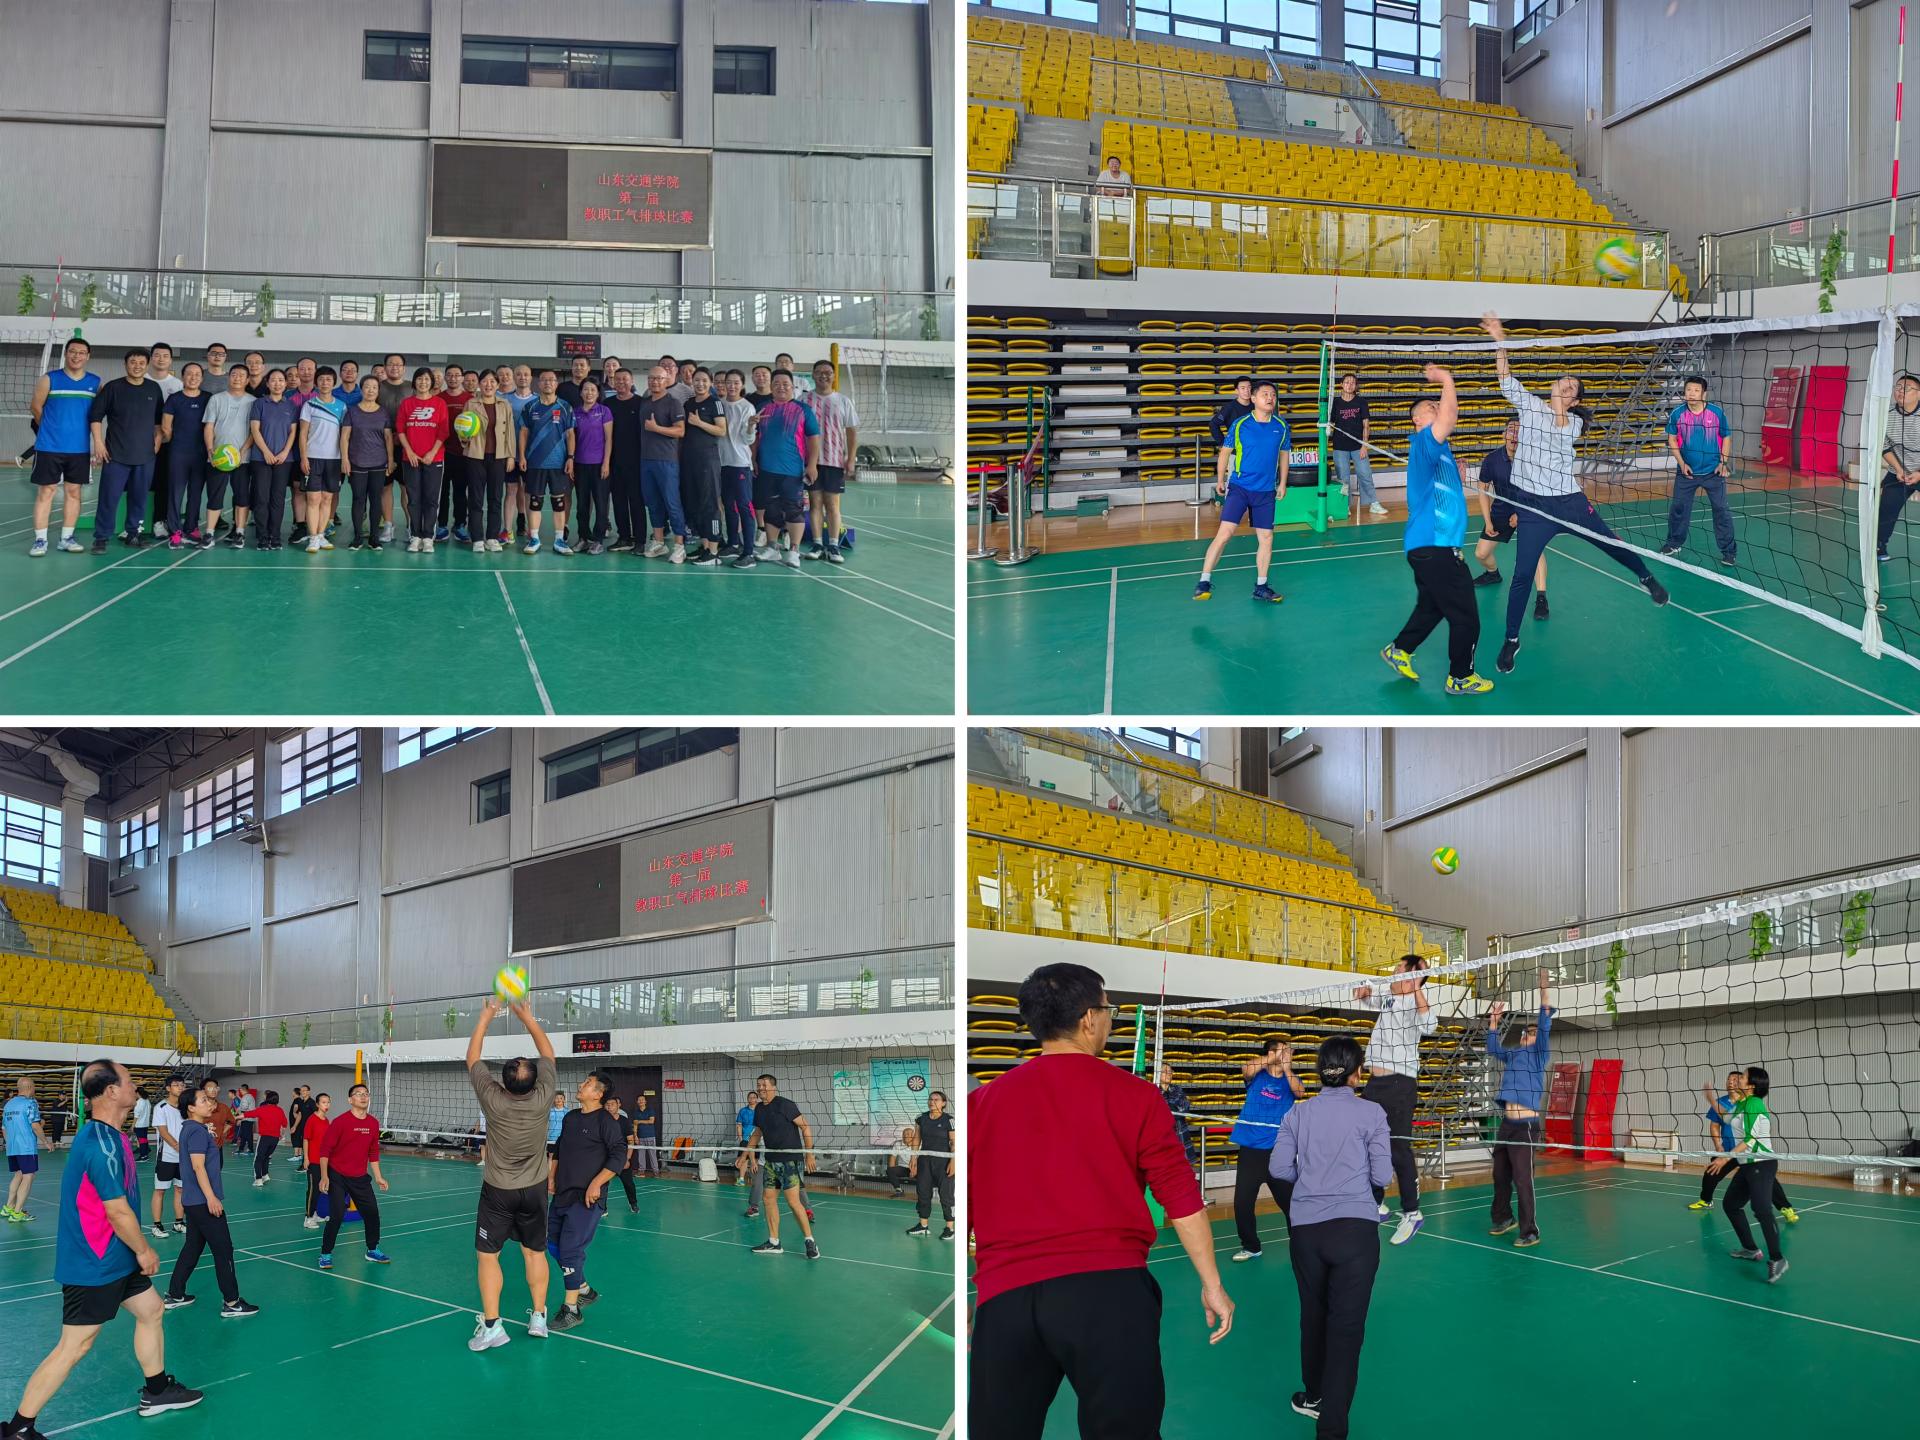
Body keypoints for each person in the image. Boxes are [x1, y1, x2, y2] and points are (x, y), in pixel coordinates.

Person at [970, 964, 1233, 1439]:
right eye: (1109, 1008)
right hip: (1109, 1295)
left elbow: (966, 1205)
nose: (1110, 1018)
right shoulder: (1138, 1097)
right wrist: (1212, 1284)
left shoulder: (982, 1103)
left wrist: (982, 1299)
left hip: (1007, 1299)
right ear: (1089, 1018)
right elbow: (1180, 1198)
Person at [3, 1060, 202, 1439]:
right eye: (128, 1081)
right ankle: (18, 1428)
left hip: (116, 1256)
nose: (134, 1086)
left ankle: (157, 1390)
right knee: (75, 1346)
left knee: (151, 1310)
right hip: (94, 1262)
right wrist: (144, 1250)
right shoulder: (100, 1143)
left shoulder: (113, 1137)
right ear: (111, 1091)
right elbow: (116, 1210)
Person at [1482, 311, 1668, 675]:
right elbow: (1504, 377)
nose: (1565, 388)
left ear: (1574, 400)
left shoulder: (1574, 422)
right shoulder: (1529, 407)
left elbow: (1559, 421)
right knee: (1521, 574)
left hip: (1570, 502)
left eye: (1571, 389)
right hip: (1533, 507)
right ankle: (1512, 639)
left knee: (1611, 543)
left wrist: (1558, 399)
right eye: (1562, 383)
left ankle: (1646, 577)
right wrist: (1499, 340)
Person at [1268, 1036, 1393, 1440]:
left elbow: (1279, 1169)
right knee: (1346, 1329)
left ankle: (1314, 1394)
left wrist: (1312, 1178)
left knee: (1313, 1315)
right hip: (1356, 1232)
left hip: (1306, 1232)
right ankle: (1332, 1428)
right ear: (1356, 1073)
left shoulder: (1297, 1113)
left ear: (1321, 1071)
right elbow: (1381, 1176)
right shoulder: (1372, 1112)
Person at [1380, 363, 1493, 695]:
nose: (1439, 407)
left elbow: (1438, 492)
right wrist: (1446, 378)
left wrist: (1456, 474)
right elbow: (1450, 415)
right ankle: (1461, 676)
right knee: (1466, 617)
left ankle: (1400, 650)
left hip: (1426, 547)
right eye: (1432, 407)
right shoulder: (1425, 441)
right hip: (1436, 546)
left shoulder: (1437, 450)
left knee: (1432, 607)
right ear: (1418, 420)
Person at [465, 997, 556, 1351]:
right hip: (534, 1190)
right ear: (536, 1081)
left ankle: (492, 1327)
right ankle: (539, 1318)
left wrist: (487, 1015)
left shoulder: (493, 1098)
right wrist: (526, 1016)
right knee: (535, 1253)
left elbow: (473, 1058)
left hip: (498, 1191)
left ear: (502, 1083)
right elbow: (548, 1052)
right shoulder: (544, 1096)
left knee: (488, 1256)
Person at [1353, 955, 1435, 1245]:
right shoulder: (1388, 997)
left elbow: (1429, 1026)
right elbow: (1369, 999)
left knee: (1398, 1148)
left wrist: (1417, 984)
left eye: (1399, 967)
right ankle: (1376, 1204)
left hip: (1400, 1083)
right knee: (1367, 1144)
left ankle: (1412, 1213)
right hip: (1374, 1085)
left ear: (1411, 974)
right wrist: (1364, 993)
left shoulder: (1416, 1002)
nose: (1394, 970)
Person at [162, 1084, 257, 1318]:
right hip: (202, 1202)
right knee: (223, 1250)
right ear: (191, 1108)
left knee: (193, 1248)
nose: (209, 1102)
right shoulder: (196, 1131)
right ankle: (232, 1302)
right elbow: (198, 1166)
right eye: (203, 1100)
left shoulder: (191, 1128)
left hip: (193, 1201)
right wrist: (211, 1197)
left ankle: (175, 1294)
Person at [1192, 378, 1287, 604]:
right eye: (1265, 394)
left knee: (1266, 538)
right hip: (1240, 487)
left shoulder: (1281, 426)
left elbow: (1284, 455)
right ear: (1253, 398)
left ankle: (1261, 586)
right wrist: (1220, 479)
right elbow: (1225, 453)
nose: (1270, 398)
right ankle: (1204, 581)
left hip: (1265, 491)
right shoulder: (1240, 423)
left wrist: (1282, 483)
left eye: (1273, 395)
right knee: (1225, 534)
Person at [545, 1068, 625, 1332]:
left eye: (588, 1083)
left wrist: (596, 1183)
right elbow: (559, 1149)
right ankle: (584, 1290)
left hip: (587, 1199)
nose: (581, 1085)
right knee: (553, 1245)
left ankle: (572, 1310)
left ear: (598, 1094)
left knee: (570, 1250)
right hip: (563, 1194)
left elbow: (619, 1156)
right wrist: (551, 1176)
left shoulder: (606, 1121)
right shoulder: (570, 1117)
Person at [1485, 970, 1554, 1247]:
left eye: (1533, 1032)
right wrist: (1494, 1021)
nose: (1528, 1033)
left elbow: (1544, 1024)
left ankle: (1530, 1231)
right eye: (1526, 1031)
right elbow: (1493, 1048)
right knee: (1499, 1175)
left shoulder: (1539, 1055)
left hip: (1525, 1126)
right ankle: (1504, 1218)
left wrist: (1544, 990)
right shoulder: (1513, 1054)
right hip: (1506, 1125)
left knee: (1523, 1179)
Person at [1229, 1039, 1304, 1262]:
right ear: (1271, 1053)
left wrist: (1287, 1067)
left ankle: (1301, 1243)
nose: (1288, 1053)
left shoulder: (1290, 1080)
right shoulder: (1257, 1076)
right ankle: (1251, 1247)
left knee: (1291, 1203)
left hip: (1278, 1152)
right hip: (1251, 1152)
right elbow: (1246, 1069)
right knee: (1242, 1204)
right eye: (1284, 1050)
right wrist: (1274, 1057)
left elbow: (1300, 1092)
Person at [1712, 1064, 1788, 1283]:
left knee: (1761, 1209)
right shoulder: (1741, 1103)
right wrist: (1710, 1099)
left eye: (1743, 1077)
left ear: (1752, 1085)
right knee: (1731, 1204)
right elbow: (1725, 1119)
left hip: (1761, 1163)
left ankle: (1778, 1259)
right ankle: (1750, 1249)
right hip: (1746, 1164)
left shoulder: (1754, 1103)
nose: (1738, 1080)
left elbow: (1751, 1140)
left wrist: (1725, 1157)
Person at [86, 348, 166, 554]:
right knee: (109, 498)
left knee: (139, 498)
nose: (137, 366)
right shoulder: (113, 388)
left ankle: (133, 534)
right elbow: (96, 416)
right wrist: (98, 443)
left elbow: (159, 421)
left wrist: (157, 441)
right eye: (133, 362)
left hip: (145, 456)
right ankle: (101, 537)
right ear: (125, 364)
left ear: (147, 365)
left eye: (141, 363)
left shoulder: (153, 388)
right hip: (116, 455)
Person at [26, 337, 100, 556]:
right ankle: (40, 540)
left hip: (79, 449)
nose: (77, 356)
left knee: (74, 492)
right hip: (49, 447)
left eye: (81, 352)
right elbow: (36, 407)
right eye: (72, 351)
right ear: (66, 353)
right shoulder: (49, 379)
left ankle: (66, 538)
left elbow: (98, 414)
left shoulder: (96, 383)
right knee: (46, 491)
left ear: (88, 356)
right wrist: (52, 430)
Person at [1693, 1072, 1798, 1220]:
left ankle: (1786, 1208)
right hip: (1729, 1149)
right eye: (1729, 1079)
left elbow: (1756, 1129)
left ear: (1745, 1084)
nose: (1731, 1082)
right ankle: (1706, 1200)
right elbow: (1717, 1123)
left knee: (1768, 1181)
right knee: (1711, 1173)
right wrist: (1718, 1144)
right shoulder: (1722, 1102)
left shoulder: (1749, 1102)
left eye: (1736, 1079)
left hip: (1747, 1151)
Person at [1470, 418, 1548, 617]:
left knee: (1535, 551)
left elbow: (1541, 494)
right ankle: (1493, 574)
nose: (1515, 435)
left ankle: (1541, 597)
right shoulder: (1492, 460)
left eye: (1520, 431)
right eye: (1511, 430)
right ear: (1504, 434)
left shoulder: (1534, 459)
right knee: (1481, 554)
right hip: (1502, 510)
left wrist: (1521, 514)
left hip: (1528, 509)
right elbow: (1483, 489)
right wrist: (1488, 521)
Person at [1661, 374, 1736, 565]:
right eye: (1688, 390)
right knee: (1678, 508)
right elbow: (1672, 439)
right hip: (1686, 472)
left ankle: (1729, 552)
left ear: (1704, 394)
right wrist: (1681, 463)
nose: (1691, 394)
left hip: (1713, 472)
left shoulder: (1716, 413)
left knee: (1721, 510)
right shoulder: (1677, 413)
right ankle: (1674, 543)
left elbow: (1726, 437)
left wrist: (1723, 463)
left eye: (1696, 390)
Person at [742, 1073, 819, 1258]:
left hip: (790, 1160)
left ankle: (810, 1241)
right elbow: (757, 1132)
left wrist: (809, 1154)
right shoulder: (759, 1109)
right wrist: (744, 1155)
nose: (760, 1088)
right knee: (768, 1199)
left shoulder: (785, 1105)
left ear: (773, 1087)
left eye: (764, 1085)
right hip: (771, 1161)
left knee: (793, 1202)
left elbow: (805, 1127)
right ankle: (774, 1242)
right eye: (758, 1085)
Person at [753, 368, 821, 568]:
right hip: (766, 469)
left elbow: (813, 439)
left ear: (793, 387)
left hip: (792, 471)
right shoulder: (763, 408)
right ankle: (772, 548)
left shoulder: (803, 410)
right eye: (776, 384)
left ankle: (794, 551)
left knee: (793, 510)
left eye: (785, 384)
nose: (781, 387)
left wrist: (812, 465)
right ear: (771, 387)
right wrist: (754, 459)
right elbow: (755, 437)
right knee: (771, 510)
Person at [316, 1083, 389, 1268]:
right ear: (350, 1100)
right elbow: (325, 1150)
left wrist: (378, 1177)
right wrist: (324, 1176)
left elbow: (373, 1152)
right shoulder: (340, 1122)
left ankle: (372, 1250)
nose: (363, 1096)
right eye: (358, 1094)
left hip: (359, 1177)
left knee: (372, 1213)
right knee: (337, 1215)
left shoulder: (373, 1123)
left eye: (366, 1093)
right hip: (337, 1175)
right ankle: (325, 1253)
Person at [802, 358, 859, 564]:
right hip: (811, 461)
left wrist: (850, 458)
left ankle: (833, 545)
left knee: (833, 505)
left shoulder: (843, 401)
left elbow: (852, 432)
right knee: (815, 503)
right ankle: (817, 544)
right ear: (813, 375)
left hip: (834, 460)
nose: (823, 375)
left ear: (834, 376)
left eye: (827, 372)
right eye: (819, 372)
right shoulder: (804, 400)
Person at [517, 370, 575, 556]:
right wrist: (522, 456)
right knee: (535, 502)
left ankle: (559, 540)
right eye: (544, 380)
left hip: (558, 463)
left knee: (559, 502)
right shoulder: (530, 407)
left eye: (551, 380)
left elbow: (570, 434)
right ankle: (534, 538)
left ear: (556, 384)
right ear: (538, 384)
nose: (548, 383)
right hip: (535, 463)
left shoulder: (565, 406)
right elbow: (523, 432)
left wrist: (570, 457)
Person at [395, 366, 450, 554]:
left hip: (434, 459)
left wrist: (432, 453)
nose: (423, 382)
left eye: (427, 379)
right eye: (419, 378)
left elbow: (443, 431)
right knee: (413, 499)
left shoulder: (440, 403)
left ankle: (428, 537)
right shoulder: (406, 404)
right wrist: (409, 452)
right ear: (414, 382)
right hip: (410, 459)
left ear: (432, 382)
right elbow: (400, 429)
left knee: (431, 499)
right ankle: (415, 536)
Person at [201, 365, 256, 549]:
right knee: (215, 496)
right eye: (234, 374)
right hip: (218, 458)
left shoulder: (253, 402)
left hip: (242, 459)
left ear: (247, 380)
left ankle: (239, 532)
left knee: (242, 496)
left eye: (241, 375)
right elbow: (209, 426)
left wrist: (242, 451)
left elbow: (254, 431)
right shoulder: (216, 399)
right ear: (228, 377)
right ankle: (209, 533)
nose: (237, 378)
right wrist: (210, 449)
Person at [158, 363, 211, 549]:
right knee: (175, 493)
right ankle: (175, 532)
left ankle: (191, 528)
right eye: (189, 374)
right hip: (178, 453)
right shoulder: (174, 399)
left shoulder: (208, 398)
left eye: (197, 374)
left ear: (202, 378)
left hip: (201, 454)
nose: (193, 377)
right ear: (183, 377)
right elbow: (166, 427)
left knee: (196, 493)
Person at [243, 369, 298, 549]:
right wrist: (266, 452)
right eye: (273, 380)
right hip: (261, 459)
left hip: (284, 460)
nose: (277, 383)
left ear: (285, 384)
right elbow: (255, 429)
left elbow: (293, 432)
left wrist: (284, 452)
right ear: (267, 383)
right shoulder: (259, 403)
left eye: (281, 380)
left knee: (278, 499)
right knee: (261, 498)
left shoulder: (291, 405)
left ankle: (275, 536)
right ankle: (262, 537)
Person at [638, 364, 688, 561]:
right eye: (651, 378)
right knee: (653, 503)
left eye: (659, 378)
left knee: (672, 503)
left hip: (666, 461)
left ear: (666, 380)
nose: (655, 382)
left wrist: (657, 428)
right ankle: (659, 543)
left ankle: (679, 546)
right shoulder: (645, 403)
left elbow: (680, 431)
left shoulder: (673, 403)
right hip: (646, 460)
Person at [297, 368, 348, 554]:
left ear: (333, 383)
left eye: (328, 380)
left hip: (334, 460)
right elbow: (303, 433)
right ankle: (312, 537)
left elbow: (344, 435)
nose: (325, 383)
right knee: (313, 498)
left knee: (327, 498)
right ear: (316, 383)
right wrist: (304, 457)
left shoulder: (342, 406)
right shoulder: (309, 405)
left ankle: (321, 535)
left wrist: (344, 458)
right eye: (321, 380)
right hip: (313, 457)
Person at [460, 369, 512, 552]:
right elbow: (463, 427)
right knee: (475, 499)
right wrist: (464, 438)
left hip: (498, 457)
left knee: (495, 498)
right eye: (485, 381)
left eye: (492, 381)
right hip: (476, 456)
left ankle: (492, 537)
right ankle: (477, 538)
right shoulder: (471, 403)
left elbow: (510, 431)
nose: (488, 385)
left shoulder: (504, 404)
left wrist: (510, 456)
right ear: (479, 384)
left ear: (497, 385)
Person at [681, 367, 729, 566]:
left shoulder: (715, 402)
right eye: (696, 380)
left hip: (707, 460)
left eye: (704, 380)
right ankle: (705, 545)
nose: (699, 384)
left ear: (710, 382)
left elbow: (721, 430)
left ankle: (714, 551)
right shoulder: (688, 403)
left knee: (710, 504)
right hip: (689, 460)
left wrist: (700, 423)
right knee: (695, 504)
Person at [343, 374, 394, 551]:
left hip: (378, 462)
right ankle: (357, 537)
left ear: (378, 391)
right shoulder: (352, 411)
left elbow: (388, 438)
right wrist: (345, 460)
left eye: (374, 387)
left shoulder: (383, 412)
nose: (370, 390)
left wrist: (390, 460)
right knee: (358, 499)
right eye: (367, 386)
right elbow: (344, 437)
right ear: (361, 389)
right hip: (357, 462)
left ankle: (374, 538)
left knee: (375, 499)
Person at [1876, 372, 1920, 564]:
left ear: (1918, 394)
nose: (1901, 391)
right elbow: (1883, 445)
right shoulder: (1886, 415)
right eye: (1898, 387)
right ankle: (1879, 546)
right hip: (1899, 472)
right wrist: (1899, 469)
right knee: (1886, 510)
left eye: (1907, 388)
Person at [1328, 372, 1386, 516]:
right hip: (1340, 446)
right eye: (1347, 382)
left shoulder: (1361, 402)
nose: (1349, 385)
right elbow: (1331, 422)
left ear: (1356, 386)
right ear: (1341, 385)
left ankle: (1373, 503)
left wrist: (1364, 445)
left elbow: (1366, 425)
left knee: (1365, 474)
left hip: (1358, 446)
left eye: (1353, 383)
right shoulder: (1335, 403)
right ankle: (1345, 506)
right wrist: (1327, 427)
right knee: (1343, 478)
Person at [717, 369, 759, 565]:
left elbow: (748, 439)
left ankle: (748, 552)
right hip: (722, 463)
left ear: (742, 385)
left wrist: (750, 426)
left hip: (740, 463)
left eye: (736, 382)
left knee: (744, 506)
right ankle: (733, 543)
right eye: (728, 382)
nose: (732, 386)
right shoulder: (719, 404)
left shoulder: (747, 407)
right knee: (729, 505)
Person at [604, 366, 648, 552]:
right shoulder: (607, 404)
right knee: (618, 501)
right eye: (617, 379)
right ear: (613, 382)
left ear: (632, 382)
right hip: (614, 461)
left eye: (625, 379)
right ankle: (624, 537)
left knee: (636, 501)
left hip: (636, 461)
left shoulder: (641, 403)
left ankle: (640, 540)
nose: (621, 382)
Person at [570, 377, 614, 553]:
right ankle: (583, 537)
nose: (589, 393)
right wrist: (571, 461)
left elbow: (609, 439)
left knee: (601, 503)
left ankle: (598, 539)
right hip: (580, 465)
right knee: (582, 505)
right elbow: (571, 438)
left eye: (593, 390)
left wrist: (606, 463)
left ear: (598, 393)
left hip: (599, 465)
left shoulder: (604, 411)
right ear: (581, 392)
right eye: (586, 389)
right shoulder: (575, 412)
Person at [905, 1089, 955, 1240]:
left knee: (946, 1195)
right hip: (925, 1161)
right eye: (930, 1099)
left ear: (943, 1103)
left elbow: (954, 1142)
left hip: (944, 1161)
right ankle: (923, 1226)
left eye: (936, 1099)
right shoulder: (921, 1118)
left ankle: (950, 1228)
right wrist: (913, 1158)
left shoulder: (949, 1120)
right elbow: (916, 1139)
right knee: (923, 1193)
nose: (932, 1102)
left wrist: (954, 1161)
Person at [4, 1077, 50, 1222]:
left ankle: (8, 1207)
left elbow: (4, 1128)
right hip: (26, 1147)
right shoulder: (30, 1103)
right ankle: (17, 1213)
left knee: (18, 1174)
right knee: (28, 1176)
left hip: (12, 1147)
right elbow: (35, 1126)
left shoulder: (8, 1104)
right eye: (34, 1086)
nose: (35, 1089)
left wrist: (10, 1143)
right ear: (30, 1087)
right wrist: (46, 1142)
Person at [147, 1075, 186, 1238]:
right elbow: (163, 1131)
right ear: (168, 1088)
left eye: (182, 1085)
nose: (180, 1087)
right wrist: (177, 1146)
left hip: (183, 1158)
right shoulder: (161, 1107)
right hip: (166, 1157)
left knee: (180, 1189)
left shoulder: (186, 1107)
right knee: (160, 1190)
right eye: (176, 1085)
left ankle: (179, 1223)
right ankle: (157, 1225)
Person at [439, 365, 469, 543]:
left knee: (460, 491)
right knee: (442, 492)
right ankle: (441, 525)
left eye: (457, 375)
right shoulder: (439, 398)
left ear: (462, 378)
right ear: (445, 378)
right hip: (441, 453)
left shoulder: (470, 399)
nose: (453, 378)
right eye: (449, 375)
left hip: (463, 453)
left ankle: (460, 525)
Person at [601, 1094, 639, 1212]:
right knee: (602, 1183)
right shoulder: (601, 1120)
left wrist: (627, 1159)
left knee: (629, 1183)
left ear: (618, 1106)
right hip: (605, 1156)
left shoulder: (624, 1121)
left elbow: (631, 1141)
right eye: (607, 1104)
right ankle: (602, 1207)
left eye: (612, 1104)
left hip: (621, 1156)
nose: (609, 1107)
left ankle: (633, 1203)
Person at [300, 1093, 331, 1228]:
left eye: (328, 1102)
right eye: (323, 1102)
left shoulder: (326, 1121)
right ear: (317, 1104)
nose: (326, 1105)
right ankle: (308, 1218)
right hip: (313, 1161)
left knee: (320, 1188)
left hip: (324, 1161)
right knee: (313, 1190)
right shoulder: (311, 1120)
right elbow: (306, 1139)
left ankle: (315, 1214)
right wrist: (306, 1158)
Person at [1158, 1061, 1196, 1163]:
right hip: (1162, 1134)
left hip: (1180, 1132)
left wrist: (1171, 1110)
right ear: (1157, 1073)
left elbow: (1185, 1106)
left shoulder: (1177, 1089)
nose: (1168, 1074)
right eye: (1165, 1071)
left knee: (1184, 1165)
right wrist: (1172, 1109)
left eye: (1170, 1072)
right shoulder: (1154, 1090)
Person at [1208, 376, 1254, 451]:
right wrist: (1223, 444)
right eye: (1243, 388)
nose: (1247, 390)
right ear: (1236, 391)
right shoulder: (1229, 407)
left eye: (1249, 387)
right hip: (1235, 452)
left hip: (1254, 450)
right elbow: (1213, 424)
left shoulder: (1257, 405)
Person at [250, 1089, 286, 1186]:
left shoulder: (263, 1108)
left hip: (264, 1137)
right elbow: (284, 1124)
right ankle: (265, 1175)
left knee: (258, 1158)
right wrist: (281, 1135)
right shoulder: (280, 1110)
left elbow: (248, 1114)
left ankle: (258, 1179)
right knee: (266, 1157)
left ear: (267, 1098)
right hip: (275, 1139)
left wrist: (236, 1117)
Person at [631, 1093, 663, 1177]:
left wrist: (639, 1121)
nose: (641, 1101)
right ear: (637, 1102)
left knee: (652, 1154)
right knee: (641, 1155)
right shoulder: (636, 1112)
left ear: (645, 1101)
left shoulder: (650, 1110)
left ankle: (656, 1172)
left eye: (642, 1099)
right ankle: (641, 1172)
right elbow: (635, 1124)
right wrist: (635, 1136)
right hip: (640, 1137)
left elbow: (651, 1121)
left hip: (650, 1136)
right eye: (639, 1100)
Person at [734, 1090, 760, 1192]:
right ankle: (741, 1179)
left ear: (757, 1099)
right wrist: (741, 1139)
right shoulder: (743, 1111)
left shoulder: (760, 1110)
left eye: (754, 1097)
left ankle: (756, 1181)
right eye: (750, 1097)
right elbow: (739, 1125)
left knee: (756, 1160)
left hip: (758, 1139)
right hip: (745, 1139)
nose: (752, 1099)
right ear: (747, 1099)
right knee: (743, 1158)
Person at [886, 1126, 918, 1198]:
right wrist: (891, 1172)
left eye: (908, 1134)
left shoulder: (918, 1144)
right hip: (903, 1168)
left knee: (924, 1174)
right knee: (890, 1170)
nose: (905, 1135)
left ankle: (922, 1194)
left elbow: (921, 1160)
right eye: (904, 1134)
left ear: (913, 1136)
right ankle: (899, 1191)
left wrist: (914, 1170)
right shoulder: (898, 1144)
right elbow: (892, 1158)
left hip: (916, 1168)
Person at [233, 1084, 257, 1154]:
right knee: (244, 1134)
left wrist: (238, 1112)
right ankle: (241, 1148)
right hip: (249, 1119)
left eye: (240, 1090)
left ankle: (250, 1149)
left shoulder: (246, 1097)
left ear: (242, 1089)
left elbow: (244, 1107)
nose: (239, 1091)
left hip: (247, 1118)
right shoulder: (250, 1096)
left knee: (247, 1135)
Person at [131, 1086, 153, 1163]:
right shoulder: (147, 1101)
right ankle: (146, 1151)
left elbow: (136, 1116)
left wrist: (133, 1125)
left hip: (139, 1125)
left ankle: (144, 1156)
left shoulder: (139, 1102)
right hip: (145, 1124)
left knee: (142, 1141)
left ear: (137, 1093)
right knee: (144, 1139)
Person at [546, 1092, 567, 1160]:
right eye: (557, 1098)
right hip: (551, 1138)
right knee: (551, 1157)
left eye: (561, 1098)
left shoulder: (567, 1112)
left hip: (563, 1138)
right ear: (554, 1100)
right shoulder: (549, 1111)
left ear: (564, 1100)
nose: (559, 1100)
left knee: (562, 1157)